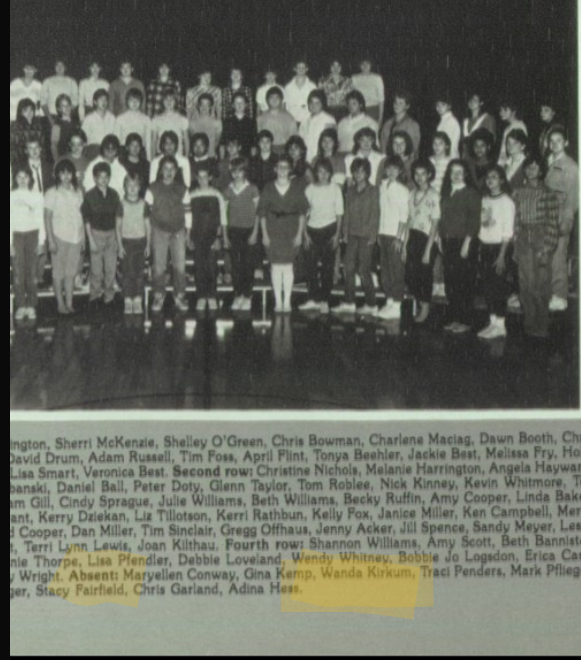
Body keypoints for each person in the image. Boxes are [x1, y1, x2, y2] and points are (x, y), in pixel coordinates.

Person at [513, 156, 560, 339]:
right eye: (528, 167)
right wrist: (516, 244)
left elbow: (552, 223)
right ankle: (529, 322)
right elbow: (516, 221)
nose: (531, 170)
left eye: (535, 167)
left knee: (541, 282)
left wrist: (547, 248)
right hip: (523, 237)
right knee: (525, 282)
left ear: (541, 171)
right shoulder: (518, 192)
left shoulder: (548, 193)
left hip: (541, 237)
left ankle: (542, 324)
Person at [258, 156, 309, 313]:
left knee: (288, 266)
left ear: (290, 170)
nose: (282, 169)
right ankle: (278, 301)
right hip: (273, 229)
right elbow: (262, 213)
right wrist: (264, 234)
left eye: (285, 167)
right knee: (275, 266)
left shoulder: (297, 188)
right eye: (279, 166)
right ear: (275, 169)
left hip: (291, 229)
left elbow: (303, 212)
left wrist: (299, 234)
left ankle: (287, 301)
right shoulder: (268, 187)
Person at [439, 160, 482, 333]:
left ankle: (466, 320)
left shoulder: (471, 193)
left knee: (464, 283)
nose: (456, 175)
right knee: (451, 282)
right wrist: (440, 239)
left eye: (460, 171)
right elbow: (442, 219)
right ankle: (456, 318)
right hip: (448, 242)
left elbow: (474, 220)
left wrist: (466, 243)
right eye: (453, 171)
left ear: (465, 174)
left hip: (465, 242)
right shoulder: (446, 193)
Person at [332, 158, 380, 316]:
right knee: (348, 267)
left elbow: (375, 214)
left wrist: (373, 235)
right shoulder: (350, 190)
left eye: (362, 171)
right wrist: (345, 231)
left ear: (367, 173)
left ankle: (372, 304)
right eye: (355, 171)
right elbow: (347, 212)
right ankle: (349, 302)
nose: (358, 174)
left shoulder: (373, 190)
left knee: (363, 269)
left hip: (366, 236)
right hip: (352, 234)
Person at [146, 156, 192, 313]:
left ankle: (180, 295)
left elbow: (188, 212)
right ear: (160, 170)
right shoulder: (152, 188)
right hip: (159, 230)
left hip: (178, 230)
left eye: (172, 169)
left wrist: (188, 232)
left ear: (177, 171)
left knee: (180, 265)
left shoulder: (182, 188)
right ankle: (158, 295)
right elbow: (147, 213)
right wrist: (150, 234)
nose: (169, 172)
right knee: (159, 265)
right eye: (165, 168)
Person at [300, 158, 344, 315]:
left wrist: (337, 234)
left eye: (326, 172)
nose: (323, 175)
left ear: (330, 173)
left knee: (327, 267)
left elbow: (339, 213)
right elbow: (304, 214)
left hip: (329, 230)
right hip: (312, 230)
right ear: (315, 173)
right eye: (320, 172)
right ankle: (313, 298)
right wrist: (305, 234)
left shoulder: (335, 189)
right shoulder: (310, 189)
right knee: (310, 266)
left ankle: (324, 300)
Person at [477, 166, 516, 339]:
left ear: (501, 180)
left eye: (494, 177)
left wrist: (501, 256)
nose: (490, 180)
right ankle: (492, 323)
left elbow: (508, 231)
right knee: (488, 287)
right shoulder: (485, 199)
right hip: (486, 247)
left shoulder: (506, 202)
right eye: (488, 177)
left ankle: (501, 325)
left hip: (500, 249)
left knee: (498, 287)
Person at [544, 126, 580, 312]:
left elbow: (573, 197)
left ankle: (560, 296)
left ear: (566, 142)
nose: (555, 144)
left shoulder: (571, 166)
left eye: (559, 140)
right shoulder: (549, 161)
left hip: (560, 216)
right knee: (548, 256)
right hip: (546, 216)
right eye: (552, 141)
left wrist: (567, 220)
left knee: (558, 256)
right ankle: (549, 293)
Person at [403, 159, 441, 324]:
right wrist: (404, 245)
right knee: (411, 275)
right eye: (416, 174)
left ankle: (425, 307)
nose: (419, 177)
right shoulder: (411, 194)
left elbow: (435, 224)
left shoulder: (434, 195)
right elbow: (409, 220)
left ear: (429, 175)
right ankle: (421, 301)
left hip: (428, 239)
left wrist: (428, 250)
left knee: (424, 275)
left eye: (423, 174)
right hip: (413, 237)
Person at [44, 159, 85, 315]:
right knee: (58, 273)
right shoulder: (52, 192)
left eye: (69, 173)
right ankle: (60, 304)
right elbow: (47, 217)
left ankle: (69, 303)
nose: (66, 176)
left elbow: (81, 217)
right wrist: (51, 240)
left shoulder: (78, 192)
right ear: (57, 175)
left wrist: (83, 239)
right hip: (59, 237)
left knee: (71, 273)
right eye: (62, 173)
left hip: (76, 237)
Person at [81, 162, 123, 309]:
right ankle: (95, 296)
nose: (103, 180)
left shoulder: (114, 194)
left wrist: (118, 238)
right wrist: (91, 240)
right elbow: (86, 220)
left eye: (106, 177)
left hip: (112, 234)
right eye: (100, 177)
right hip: (96, 234)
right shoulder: (89, 196)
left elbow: (118, 218)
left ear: (109, 178)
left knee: (111, 268)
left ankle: (109, 296)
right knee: (96, 269)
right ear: (94, 178)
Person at [222, 158, 261, 312]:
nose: (237, 174)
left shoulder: (252, 188)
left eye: (240, 171)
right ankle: (238, 294)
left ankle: (247, 295)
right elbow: (224, 215)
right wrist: (225, 236)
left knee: (248, 265)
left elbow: (258, 212)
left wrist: (255, 232)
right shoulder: (227, 190)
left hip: (249, 230)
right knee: (236, 265)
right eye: (234, 171)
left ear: (245, 171)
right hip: (233, 231)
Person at [189, 163, 228, 312]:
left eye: (205, 177)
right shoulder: (192, 195)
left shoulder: (217, 194)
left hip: (212, 236)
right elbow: (188, 219)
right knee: (199, 266)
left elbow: (223, 218)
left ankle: (211, 295)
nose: (203, 180)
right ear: (196, 179)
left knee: (211, 266)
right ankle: (201, 296)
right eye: (200, 177)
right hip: (197, 235)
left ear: (210, 178)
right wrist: (188, 237)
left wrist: (220, 237)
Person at [375, 156, 410, 321]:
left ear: (400, 170)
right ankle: (389, 302)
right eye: (388, 168)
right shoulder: (382, 186)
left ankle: (396, 306)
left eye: (395, 169)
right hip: (383, 234)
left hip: (396, 236)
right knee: (385, 270)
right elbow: (380, 212)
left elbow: (404, 216)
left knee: (396, 271)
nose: (391, 172)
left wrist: (398, 238)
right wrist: (378, 233)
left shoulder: (402, 190)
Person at [10, 164, 46, 321]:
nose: (22, 180)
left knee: (31, 272)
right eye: (19, 177)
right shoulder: (11, 196)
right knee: (18, 273)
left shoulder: (37, 195)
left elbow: (41, 220)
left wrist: (41, 241)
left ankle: (31, 304)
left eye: (25, 176)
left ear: (31, 178)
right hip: (16, 236)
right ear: (14, 178)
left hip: (33, 235)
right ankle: (20, 304)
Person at [116, 173, 151, 315]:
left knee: (139, 273)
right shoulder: (121, 204)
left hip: (140, 242)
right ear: (124, 187)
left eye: (135, 185)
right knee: (127, 273)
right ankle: (127, 300)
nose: (132, 188)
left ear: (140, 187)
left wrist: (148, 244)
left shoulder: (144, 204)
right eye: (129, 185)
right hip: (126, 242)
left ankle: (137, 299)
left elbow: (148, 226)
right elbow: (118, 226)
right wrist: (119, 246)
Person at [380, 90, 421, 160]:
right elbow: (383, 145)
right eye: (395, 102)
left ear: (407, 106)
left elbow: (413, 149)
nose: (396, 105)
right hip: (388, 161)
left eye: (400, 103)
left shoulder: (412, 125)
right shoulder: (387, 123)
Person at [256, 86, 297, 155]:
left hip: (284, 150)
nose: (274, 100)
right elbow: (259, 137)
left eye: (277, 97)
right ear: (267, 100)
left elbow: (293, 138)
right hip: (267, 150)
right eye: (271, 97)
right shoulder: (261, 118)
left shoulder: (289, 117)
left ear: (281, 100)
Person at [299, 90, 337, 163]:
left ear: (322, 104)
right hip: (305, 158)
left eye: (317, 103)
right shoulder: (305, 119)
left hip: (320, 159)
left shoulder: (329, 119)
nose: (313, 106)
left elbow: (330, 143)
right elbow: (301, 139)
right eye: (311, 102)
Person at [114, 88, 152, 160]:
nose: (134, 103)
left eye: (137, 100)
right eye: (131, 100)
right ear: (127, 101)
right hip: (124, 152)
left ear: (141, 102)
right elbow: (116, 140)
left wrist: (149, 159)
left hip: (140, 152)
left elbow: (148, 141)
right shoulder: (120, 119)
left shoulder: (146, 119)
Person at [337, 90, 379, 156]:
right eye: (349, 104)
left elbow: (375, 146)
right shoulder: (342, 122)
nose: (351, 106)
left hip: (359, 157)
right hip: (341, 156)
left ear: (361, 104)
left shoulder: (370, 123)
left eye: (354, 103)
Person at [151, 90, 189, 157]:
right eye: (166, 99)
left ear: (175, 102)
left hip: (178, 155)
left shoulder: (182, 119)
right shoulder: (156, 119)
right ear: (162, 101)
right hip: (161, 155)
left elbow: (186, 140)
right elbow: (154, 141)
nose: (169, 102)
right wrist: (153, 158)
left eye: (172, 99)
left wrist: (187, 157)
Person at [81, 89, 116, 161]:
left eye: (105, 100)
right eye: (101, 100)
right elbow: (83, 139)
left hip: (109, 150)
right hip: (94, 150)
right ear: (95, 102)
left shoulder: (112, 118)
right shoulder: (88, 119)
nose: (104, 102)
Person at [10, 99, 46, 166]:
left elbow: (42, 146)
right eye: (25, 110)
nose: (29, 113)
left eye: (31, 110)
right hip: (21, 161)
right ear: (20, 112)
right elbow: (13, 148)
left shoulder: (38, 125)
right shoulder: (15, 126)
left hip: (37, 160)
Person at [220, 92, 256, 159]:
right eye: (237, 103)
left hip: (246, 157)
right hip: (230, 156)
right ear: (233, 105)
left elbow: (253, 145)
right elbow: (222, 143)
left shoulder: (251, 122)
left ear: (246, 105)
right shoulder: (227, 121)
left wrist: (253, 160)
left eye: (242, 102)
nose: (239, 105)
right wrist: (222, 159)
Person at [461, 93, 497, 158]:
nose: (472, 102)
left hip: (482, 156)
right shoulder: (465, 121)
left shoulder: (488, 119)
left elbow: (492, 140)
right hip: (467, 157)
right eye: (470, 100)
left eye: (475, 100)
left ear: (481, 103)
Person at [188, 93, 223, 159]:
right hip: (196, 157)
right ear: (198, 106)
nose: (204, 107)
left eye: (207, 104)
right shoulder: (192, 123)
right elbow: (193, 141)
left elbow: (217, 141)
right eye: (202, 104)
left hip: (211, 156)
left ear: (211, 106)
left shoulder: (217, 123)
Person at [284, 60, 317, 128]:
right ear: (295, 69)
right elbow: (286, 105)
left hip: (308, 120)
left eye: (303, 67)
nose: (301, 69)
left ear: (306, 69)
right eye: (299, 67)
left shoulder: (312, 86)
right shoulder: (288, 87)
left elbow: (315, 104)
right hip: (292, 120)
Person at [351, 57, 385, 123]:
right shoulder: (354, 78)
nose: (365, 66)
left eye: (367, 63)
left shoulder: (377, 78)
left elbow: (381, 99)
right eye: (363, 64)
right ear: (359, 66)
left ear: (371, 65)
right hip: (359, 110)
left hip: (373, 110)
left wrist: (380, 118)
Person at [498, 99, 528, 166]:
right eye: (501, 110)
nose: (501, 113)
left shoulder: (519, 125)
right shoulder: (507, 128)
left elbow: (522, 150)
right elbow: (503, 150)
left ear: (514, 111)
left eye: (505, 110)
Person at [51, 94, 80, 162]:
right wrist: (57, 160)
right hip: (63, 156)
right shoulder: (57, 124)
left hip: (76, 155)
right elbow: (54, 145)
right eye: (63, 106)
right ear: (59, 109)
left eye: (68, 105)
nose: (66, 107)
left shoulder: (76, 122)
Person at [466, 128, 494, 193]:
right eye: (476, 146)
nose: (479, 149)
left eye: (482, 145)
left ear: (488, 147)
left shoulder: (493, 166)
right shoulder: (469, 165)